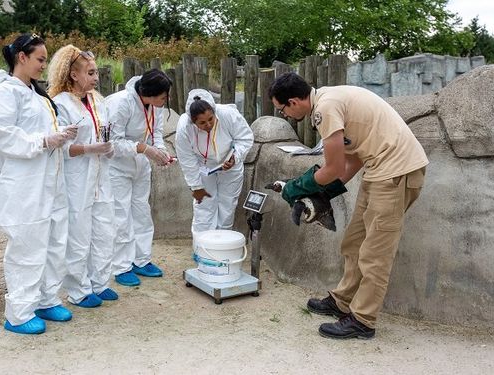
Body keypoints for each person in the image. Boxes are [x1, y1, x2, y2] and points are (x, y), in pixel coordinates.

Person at [269, 72, 428, 340]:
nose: (284, 114)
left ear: (294, 102)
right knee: (354, 241)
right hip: (379, 170)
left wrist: (297, 187)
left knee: (375, 253)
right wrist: (325, 194)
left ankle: (363, 320)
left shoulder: (325, 108)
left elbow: (333, 167)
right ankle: (342, 301)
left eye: (282, 109)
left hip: (395, 173)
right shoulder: (330, 99)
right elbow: (352, 160)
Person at [0, 33, 76, 335]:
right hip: (25, 184)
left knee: (54, 241)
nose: (44, 67)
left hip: (50, 180)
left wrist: (59, 133)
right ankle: (19, 313)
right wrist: (43, 140)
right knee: (28, 246)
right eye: (40, 59)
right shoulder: (6, 94)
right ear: (22, 57)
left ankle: (46, 298)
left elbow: (38, 130)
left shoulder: (35, 94)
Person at [47, 45, 119, 308]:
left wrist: (106, 147)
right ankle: (78, 290)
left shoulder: (98, 101)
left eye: (96, 72)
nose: (95, 77)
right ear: (73, 74)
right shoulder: (61, 103)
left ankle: (99, 282)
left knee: (104, 230)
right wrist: (90, 148)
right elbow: (62, 148)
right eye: (90, 72)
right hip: (77, 178)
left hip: (101, 176)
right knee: (78, 234)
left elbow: (106, 132)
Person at [104, 69, 174, 286]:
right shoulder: (120, 103)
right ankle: (121, 266)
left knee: (142, 211)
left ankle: (141, 260)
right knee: (121, 215)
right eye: (163, 96)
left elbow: (157, 133)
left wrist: (160, 152)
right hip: (117, 167)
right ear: (150, 93)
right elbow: (112, 143)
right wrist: (144, 149)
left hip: (141, 165)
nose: (165, 100)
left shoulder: (155, 106)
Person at [175, 89, 253, 236]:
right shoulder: (183, 127)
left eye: (211, 119)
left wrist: (235, 157)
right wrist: (196, 186)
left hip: (230, 164)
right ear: (193, 121)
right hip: (202, 166)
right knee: (204, 205)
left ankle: (221, 246)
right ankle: (202, 247)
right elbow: (187, 160)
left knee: (227, 205)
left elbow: (245, 138)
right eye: (202, 123)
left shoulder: (228, 114)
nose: (208, 124)